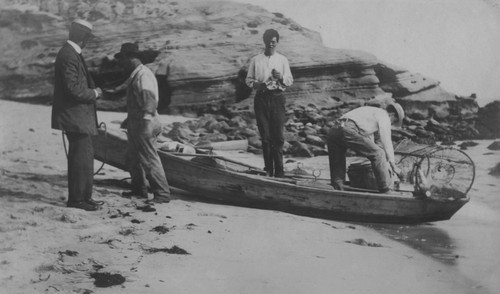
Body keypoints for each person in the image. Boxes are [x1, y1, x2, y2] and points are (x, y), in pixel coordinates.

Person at [51, 19, 103, 211]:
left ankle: (84, 197)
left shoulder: (71, 53)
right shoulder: (68, 55)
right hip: (75, 117)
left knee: (85, 157)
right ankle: (77, 199)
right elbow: (73, 90)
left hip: (79, 117)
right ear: (85, 38)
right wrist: (95, 93)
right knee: (80, 158)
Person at [113, 43, 171, 203]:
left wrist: (145, 124)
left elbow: (149, 101)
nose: (121, 63)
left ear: (131, 58)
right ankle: (139, 190)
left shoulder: (143, 75)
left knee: (149, 158)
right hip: (137, 122)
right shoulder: (136, 74)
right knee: (133, 158)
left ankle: (162, 194)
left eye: (122, 59)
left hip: (146, 122)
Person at [245, 29, 293, 177]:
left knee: (278, 137)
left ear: (277, 42)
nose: (271, 44)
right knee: (265, 137)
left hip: (278, 98)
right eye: (268, 41)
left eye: (273, 41)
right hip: (261, 98)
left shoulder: (282, 59)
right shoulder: (256, 59)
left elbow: (289, 81)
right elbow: (248, 80)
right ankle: (268, 170)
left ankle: (279, 172)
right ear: (264, 42)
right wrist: (258, 85)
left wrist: (279, 78)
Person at [326, 103, 405, 193]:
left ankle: (338, 189)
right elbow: (386, 140)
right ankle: (385, 189)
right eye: (393, 121)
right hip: (348, 128)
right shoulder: (384, 115)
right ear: (392, 114)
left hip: (334, 130)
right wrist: (392, 163)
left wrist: (383, 162)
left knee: (338, 163)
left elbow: (369, 144)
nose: (391, 123)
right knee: (379, 153)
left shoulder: (370, 114)